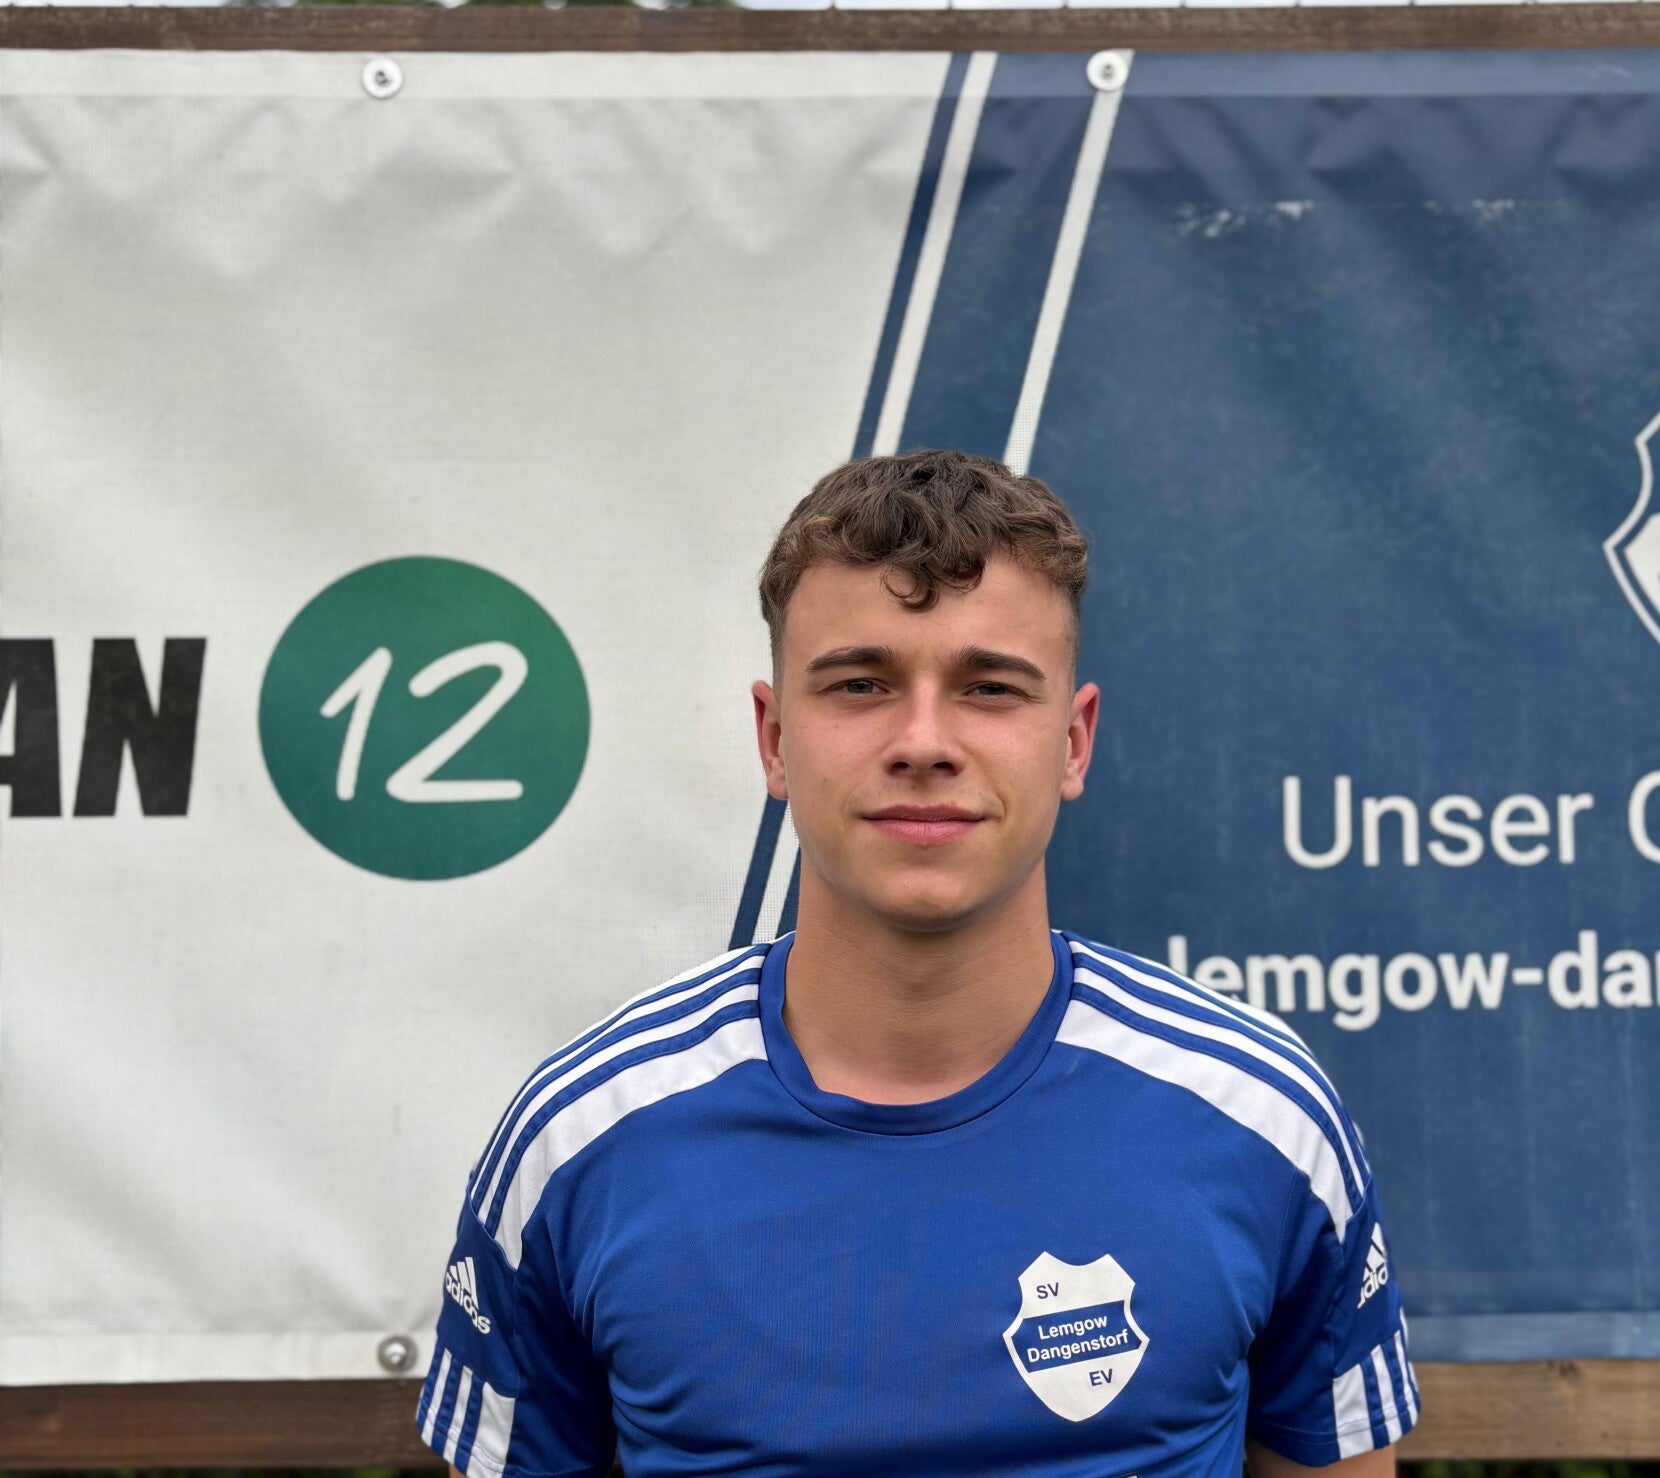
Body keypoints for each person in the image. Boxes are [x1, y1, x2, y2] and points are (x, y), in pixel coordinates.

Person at [417, 449, 1417, 1477]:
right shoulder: (584, 1137)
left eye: (989, 687)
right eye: (860, 684)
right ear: (774, 738)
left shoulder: (1260, 1117)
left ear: (1073, 742)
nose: (924, 741)